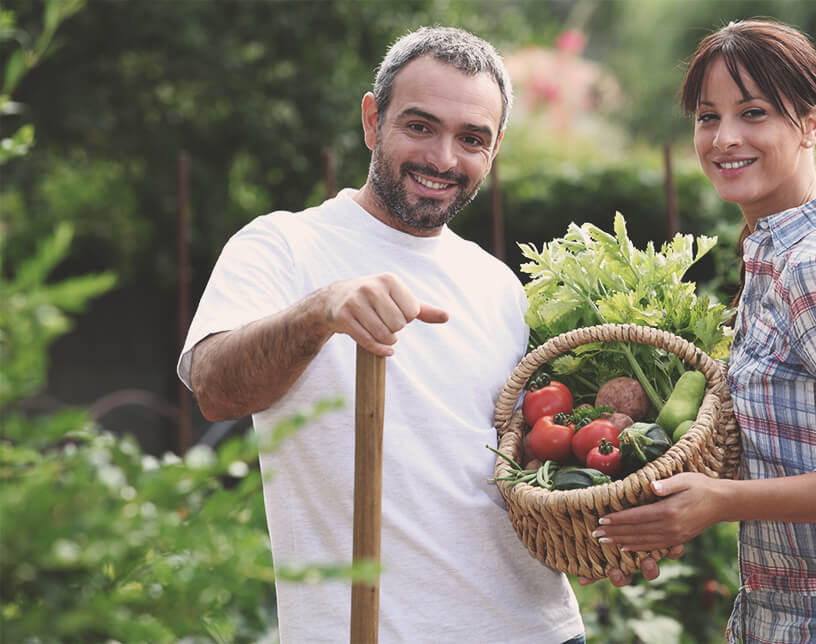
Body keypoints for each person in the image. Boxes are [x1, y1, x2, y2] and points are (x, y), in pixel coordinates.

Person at [177, 27, 587, 643]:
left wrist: (605, 526)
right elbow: (215, 389)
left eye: (470, 139)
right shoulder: (282, 245)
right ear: (373, 121)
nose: (443, 159)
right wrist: (318, 313)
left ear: (494, 148)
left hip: (538, 628)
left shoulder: (499, 283)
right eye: (419, 126)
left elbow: (524, 465)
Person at [589, 19, 816, 642]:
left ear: (811, 124)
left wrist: (721, 501)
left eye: (754, 112)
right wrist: (660, 513)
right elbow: (786, 455)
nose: (724, 138)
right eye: (708, 117)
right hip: (789, 621)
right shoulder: (772, 260)